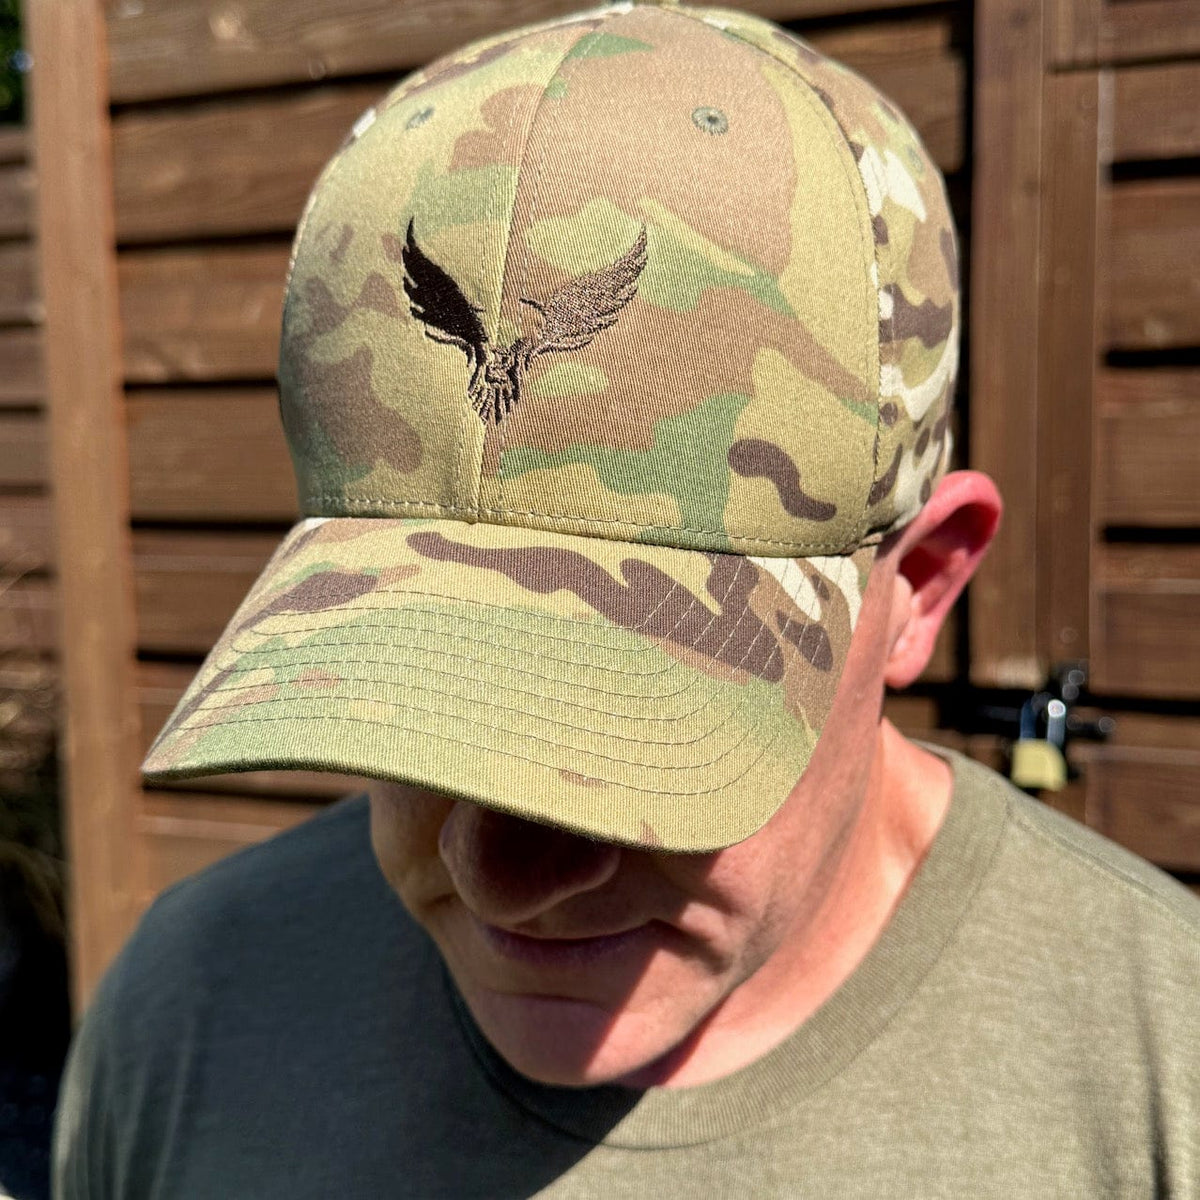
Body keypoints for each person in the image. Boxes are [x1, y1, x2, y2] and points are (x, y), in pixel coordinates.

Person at [52, 1, 1200, 1195]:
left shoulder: (1162, 1078)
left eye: (642, 730)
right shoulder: (192, 1013)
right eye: (424, 698)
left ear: (919, 587)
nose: (500, 873)